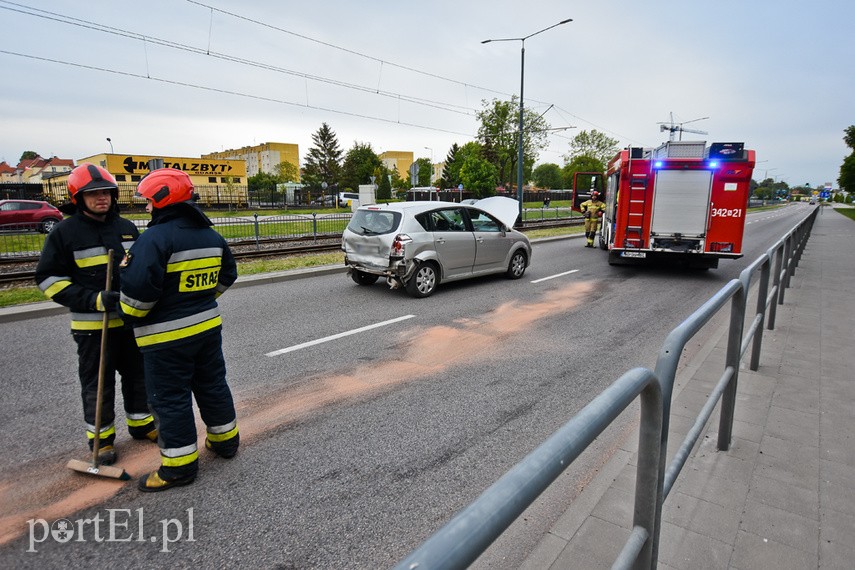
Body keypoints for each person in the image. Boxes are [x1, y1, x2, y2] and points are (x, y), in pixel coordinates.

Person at [118, 168, 239, 492]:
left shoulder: (154, 239)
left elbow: (136, 299)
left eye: (146, 201)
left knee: (170, 399)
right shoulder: (211, 235)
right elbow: (228, 274)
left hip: (165, 338)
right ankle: (226, 441)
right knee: (213, 385)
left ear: (161, 200)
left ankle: (179, 467)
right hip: (207, 330)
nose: (145, 207)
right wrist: (199, 301)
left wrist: (127, 315)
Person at [35, 163, 156, 465]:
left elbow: (138, 268)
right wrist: (92, 299)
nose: (101, 198)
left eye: (106, 193)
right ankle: (101, 441)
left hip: (128, 322)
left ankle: (141, 425)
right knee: (98, 384)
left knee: (138, 376)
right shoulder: (64, 233)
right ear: (78, 197)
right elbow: (49, 280)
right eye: (93, 194)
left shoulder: (126, 228)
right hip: (92, 327)